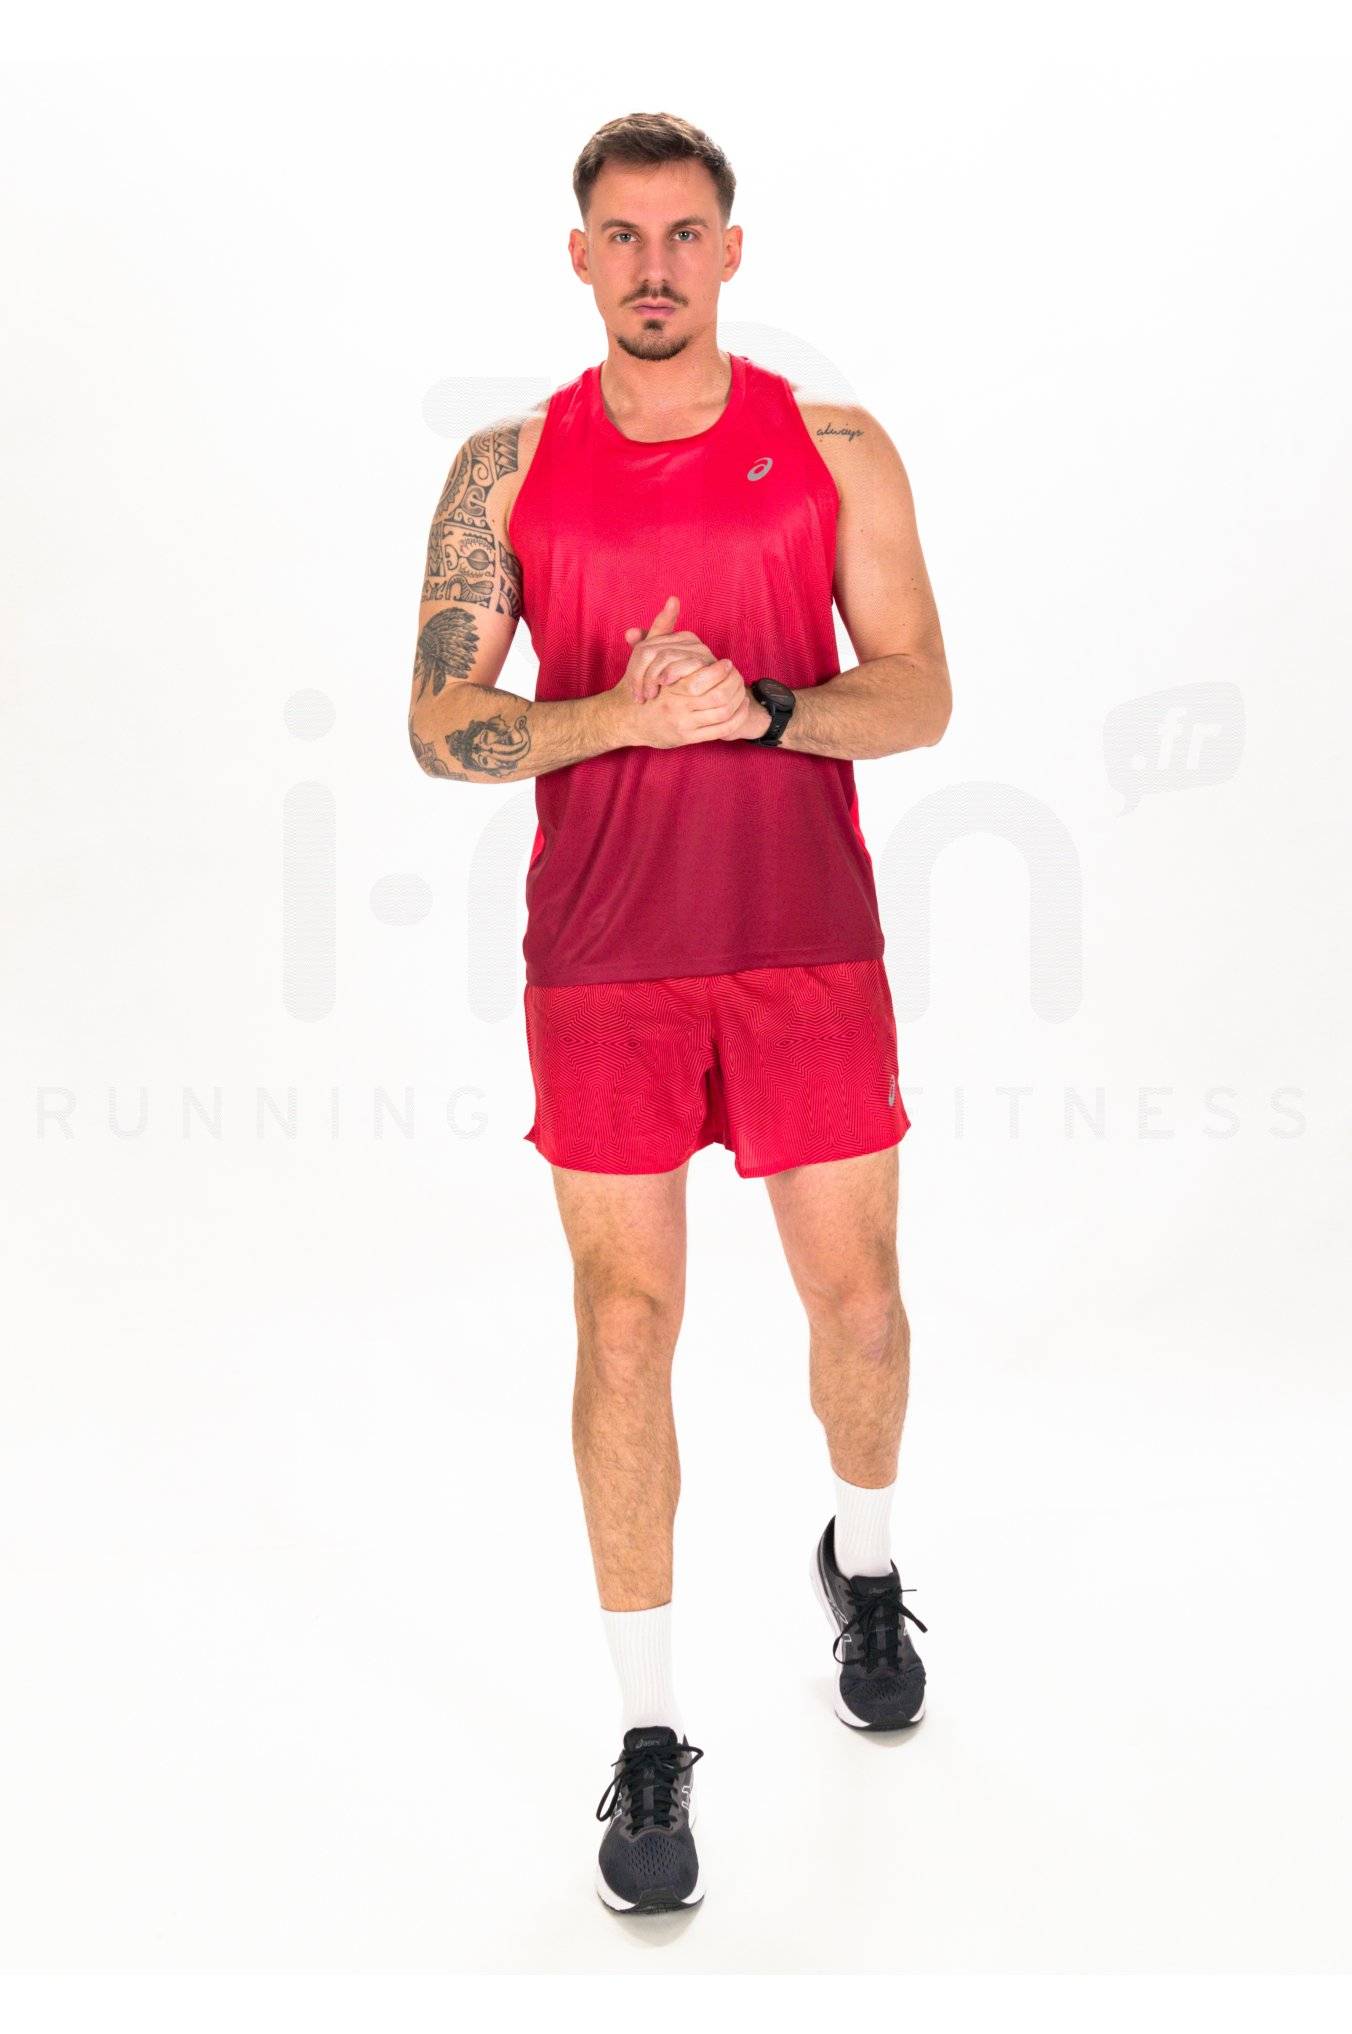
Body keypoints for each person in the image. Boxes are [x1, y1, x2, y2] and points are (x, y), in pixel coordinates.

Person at [407, 111, 950, 1915]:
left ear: (731, 251)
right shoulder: (506, 467)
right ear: (581, 258)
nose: (655, 265)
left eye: (684, 233)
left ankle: (864, 1565)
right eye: (623, 236)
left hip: (806, 945)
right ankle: (650, 1735)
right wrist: (615, 718)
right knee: (626, 1329)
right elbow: (438, 721)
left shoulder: (834, 442)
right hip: (605, 963)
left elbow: (921, 691)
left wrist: (768, 707)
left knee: (857, 1302)